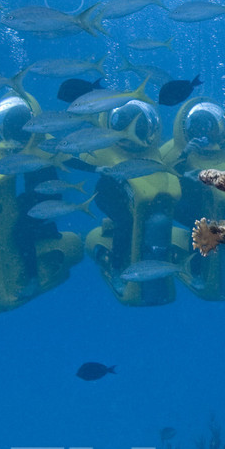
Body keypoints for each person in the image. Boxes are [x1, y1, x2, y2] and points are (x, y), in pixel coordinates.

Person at [0, 90, 81, 312]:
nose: (16, 139)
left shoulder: (45, 143)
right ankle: (43, 237)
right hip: (30, 198)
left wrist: (104, 169)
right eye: (12, 131)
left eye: (21, 131)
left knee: (21, 230)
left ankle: (32, 279)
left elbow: (75, 159)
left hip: (47, 201)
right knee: (13, 220)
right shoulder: (7, 146)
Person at [81, 98, 182, 306]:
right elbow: (83, 155)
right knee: (126, 222)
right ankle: (117, 269)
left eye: (138, 130)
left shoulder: (151, 152)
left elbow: (170, 158)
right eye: (123, 130)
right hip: (108, 193)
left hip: (136, 194)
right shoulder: (104, 147)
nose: (129, 139)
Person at [161, 100, 225, 301]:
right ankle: (198, 271)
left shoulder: (220, 152)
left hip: (209, 204)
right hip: (181, 204)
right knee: (204, 228)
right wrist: (185, 155)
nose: (205, 137)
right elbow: (166, 176)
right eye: (199, 131)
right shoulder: (175, 151)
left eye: (209, 131)